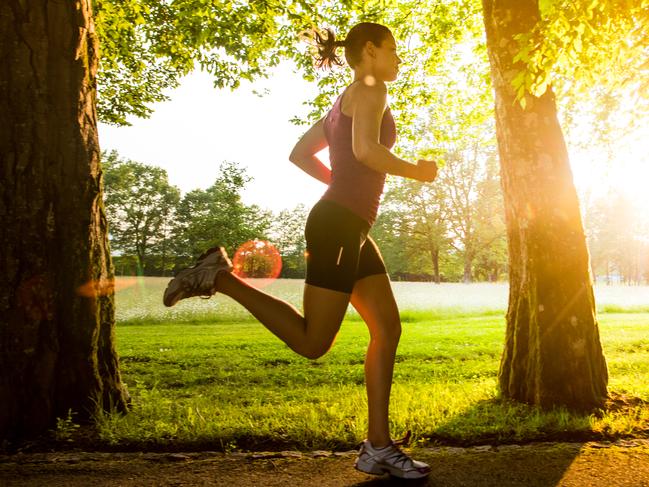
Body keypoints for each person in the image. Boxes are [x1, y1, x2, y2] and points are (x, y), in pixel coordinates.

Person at [163, 22, 438, 480]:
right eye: (393, 50)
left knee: (387, 328)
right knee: (313, 343)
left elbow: (300, 153)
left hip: (347, 223)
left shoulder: (342, 100)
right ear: (369, 51)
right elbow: (366, 151)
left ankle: (377, 447)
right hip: (338, 225)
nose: (398, 59)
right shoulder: (371, 89)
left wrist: (345, 185)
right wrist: (417, 171)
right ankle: (220, 277)